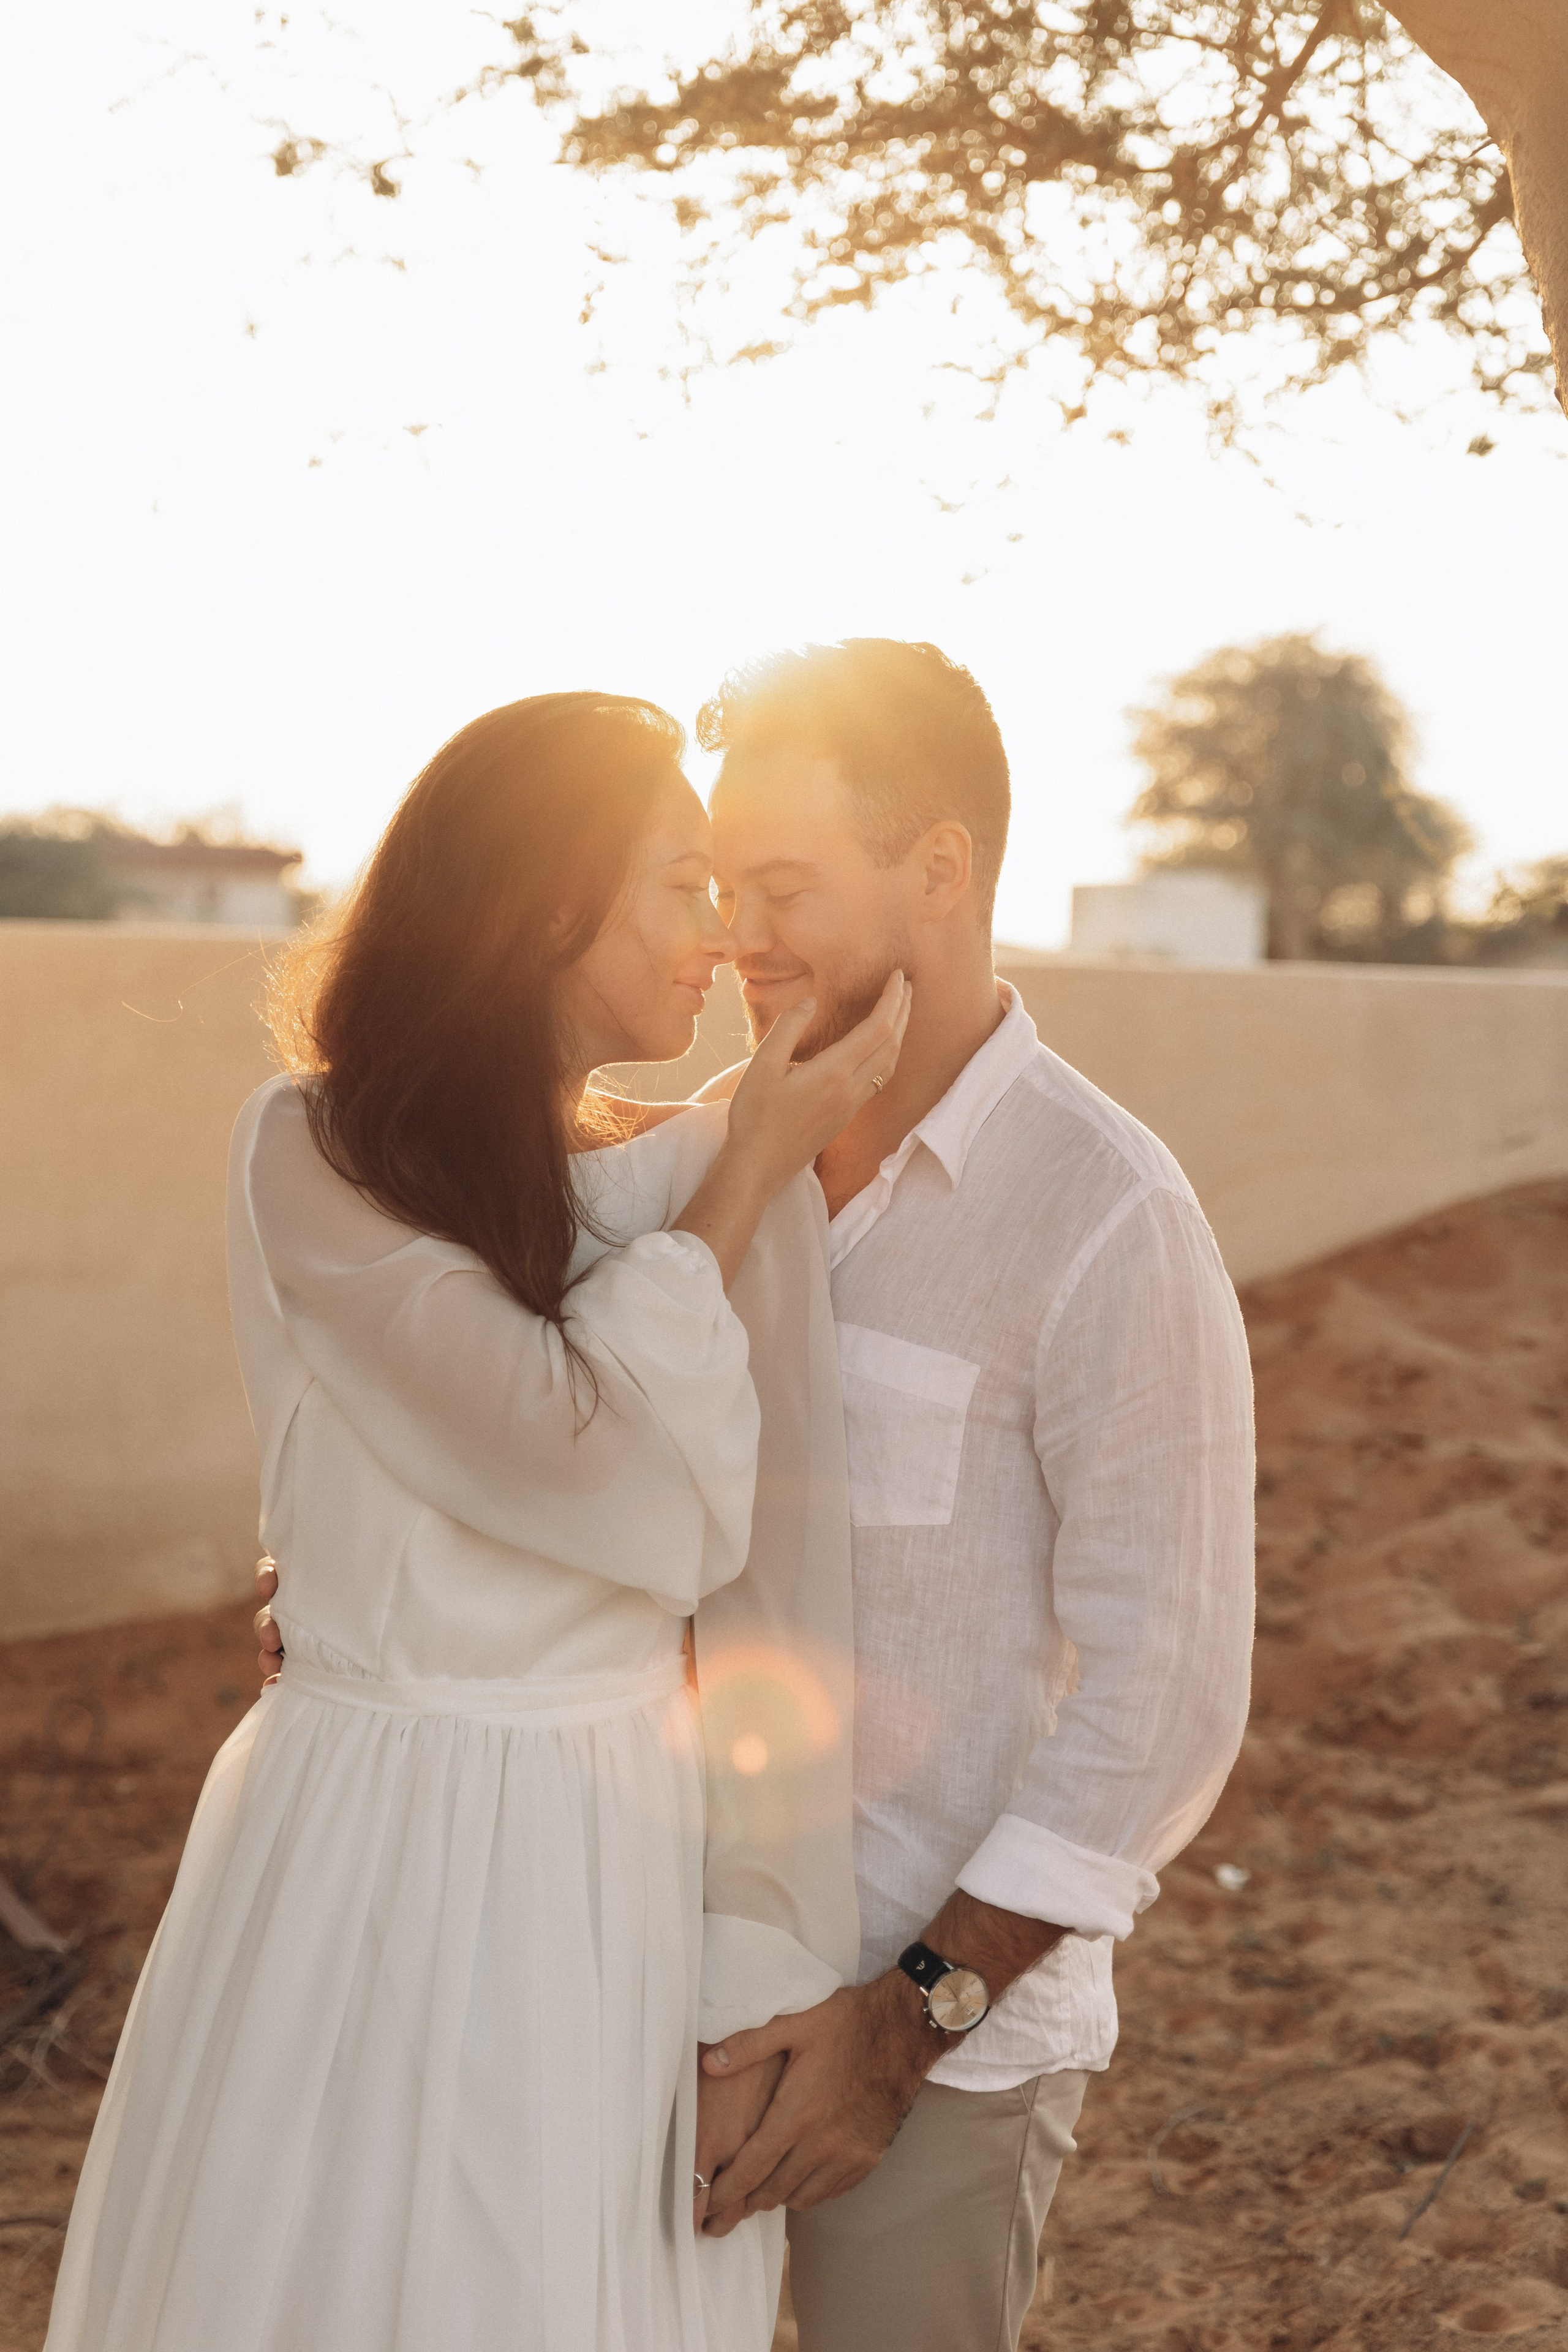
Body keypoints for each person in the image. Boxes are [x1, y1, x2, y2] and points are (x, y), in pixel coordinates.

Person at [45, 691, 908, 2352]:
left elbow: (731, 1553)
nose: (721, 938)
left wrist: (761, 1961)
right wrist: (741, 1186)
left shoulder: (679, 1170)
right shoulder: (314, 1147)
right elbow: (580, 1464)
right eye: (679, 885)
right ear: (540, 902)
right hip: (384, 1824)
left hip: (617, 1844)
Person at [679, 641, 1257, 2352]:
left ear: (941, 870)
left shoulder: (1106, 1214)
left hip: (930, 2052)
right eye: (719, 890)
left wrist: (901, 2021)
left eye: (783, 887)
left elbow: (1164, 1699)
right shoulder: (699, 1161)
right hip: (648, 1998)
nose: (739, 939)